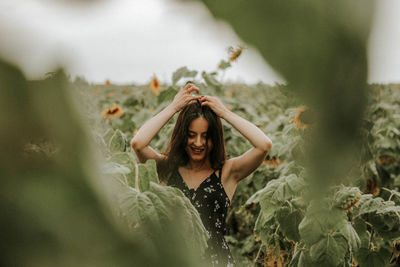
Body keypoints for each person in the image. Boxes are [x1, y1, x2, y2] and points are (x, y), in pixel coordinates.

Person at [130, 83, 272, 266]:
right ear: (182, 136)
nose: (198, 143)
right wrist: (174, 108)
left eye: (205, 136)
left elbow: (264, 145)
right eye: (191, 135)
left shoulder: (227, 171)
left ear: (214, 138)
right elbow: (138, 144)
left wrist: (225, 113)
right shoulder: (166, 167)